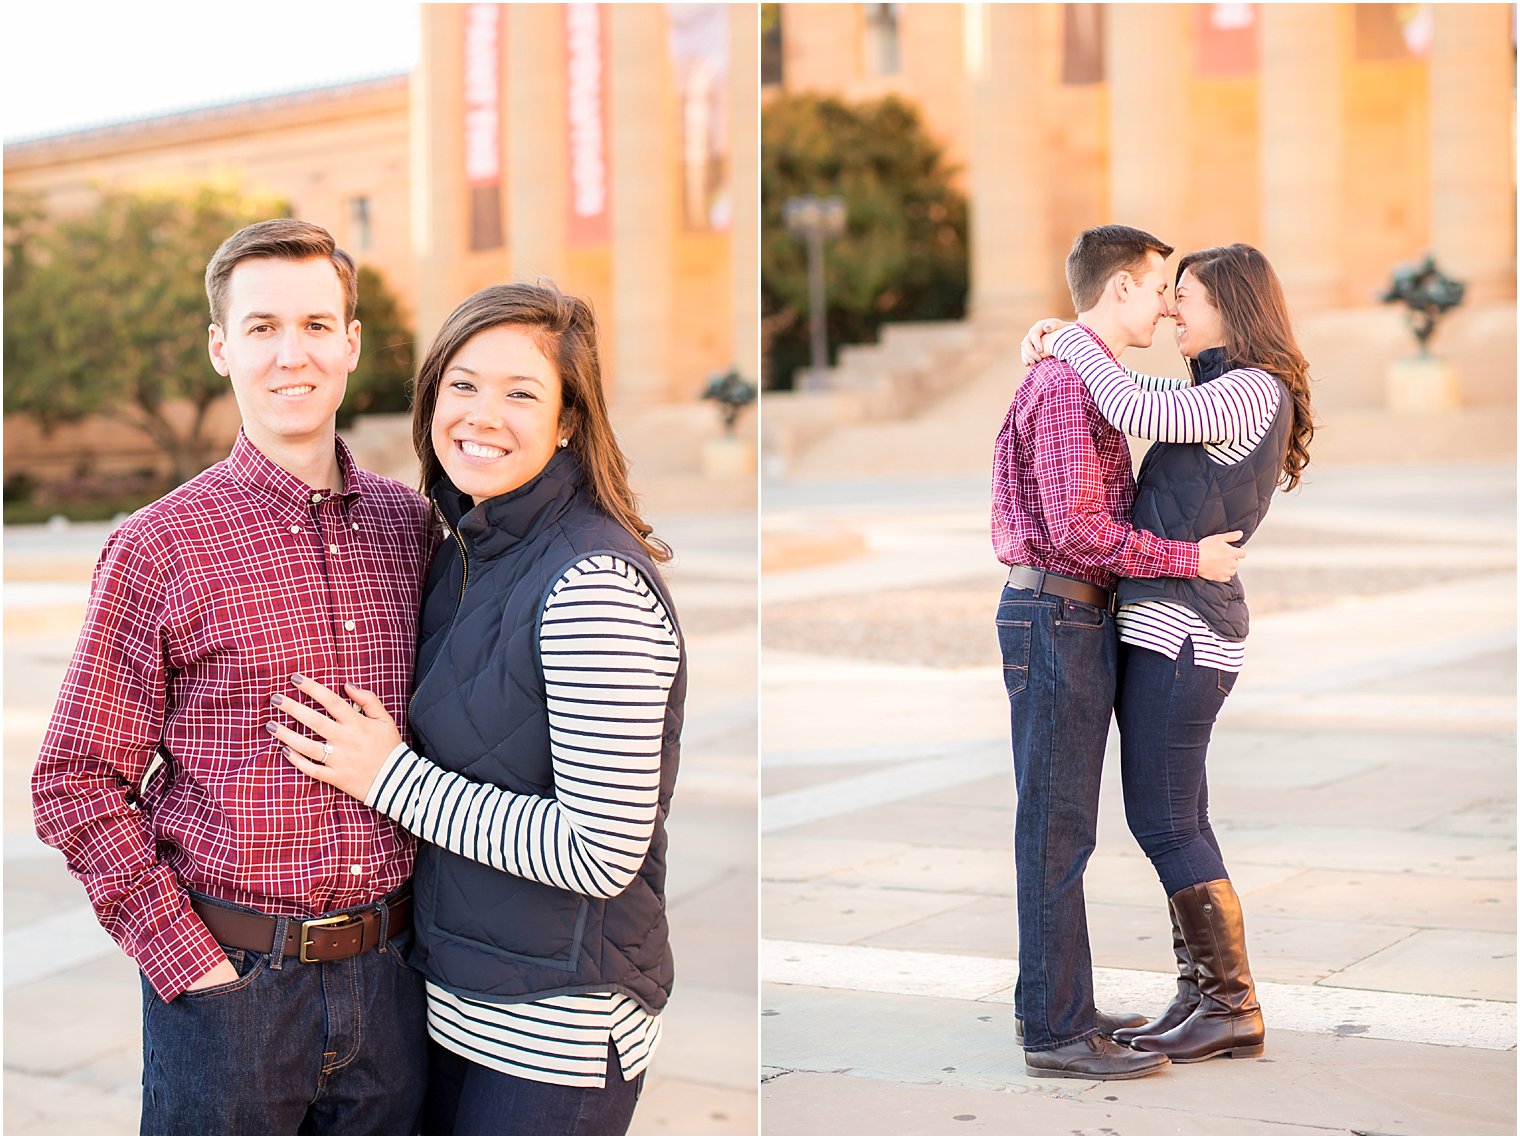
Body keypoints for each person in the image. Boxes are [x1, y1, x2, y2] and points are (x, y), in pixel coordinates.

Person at [32, 219, 433, 1133]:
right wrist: (190, 961)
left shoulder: (411, 531)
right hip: (232, 996)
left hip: (397, 984)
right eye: (261, 328)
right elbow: (74, 779)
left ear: (351, 342)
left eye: (316, 325)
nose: (292, 353)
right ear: (222, 348)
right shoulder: (157, 545)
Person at [268, 282, 685, 1136]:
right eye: (461, 384)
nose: (481, 414)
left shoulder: (591, 585)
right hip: (454, 1005)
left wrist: (389, 776)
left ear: (569, 420)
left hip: (553, 1034)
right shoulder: (469, 548)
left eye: (521, 392)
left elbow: (600, 852)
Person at [1020, 242, 1315, 1064]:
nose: (1175, 310)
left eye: (1185, 295)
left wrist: (1074, 335)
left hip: (1185, 634)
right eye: (1168, 295)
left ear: (1230, 302)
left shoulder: (1250, 390)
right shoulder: (1220, 390)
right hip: (1173, 628)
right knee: (1176, 816)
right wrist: (1068, 335)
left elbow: (1129, 405)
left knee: (1164, 819)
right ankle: (1202, 995)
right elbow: (1134, 392)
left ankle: (1229, 1003)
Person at [991, 224, 1249, 1081]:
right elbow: (1077, 527)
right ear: (1121, 289)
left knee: (1064, 828)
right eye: (1159, 285)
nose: (1169, 302)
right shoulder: (1069, 385)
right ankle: (1055, 1031)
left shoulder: (1074, 373)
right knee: (1055, 831)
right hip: (1059, 616)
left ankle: (1061, 1004)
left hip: (1071, 617)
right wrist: (1189, 557)